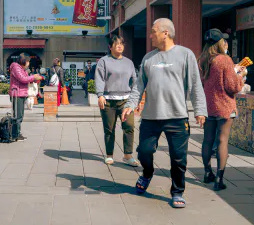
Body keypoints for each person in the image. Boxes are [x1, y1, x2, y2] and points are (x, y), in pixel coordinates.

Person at [122, 18, 207, 208]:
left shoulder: (186, 55)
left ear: (165, 33)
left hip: (177, 117)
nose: (150, 35)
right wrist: (131, 103)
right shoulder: (148, 58)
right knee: (144, 152)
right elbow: (139, 86)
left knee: (178, 158)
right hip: (151, 117)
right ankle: (147, 173)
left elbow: (195, 85)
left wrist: (200, 110)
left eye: (153, 31)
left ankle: (177, 192)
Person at [198, 28, 244, 191]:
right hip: (224, 105)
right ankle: (219, 179)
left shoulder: (203, 59)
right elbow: (232, 87)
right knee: (222, 141)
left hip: (208, 106)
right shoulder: (224, 60)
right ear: (219, 42)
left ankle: (207, 173)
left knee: (207, 140)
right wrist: (240, 75)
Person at [95, 35, 139, 167]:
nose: (119, 46)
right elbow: (100, 78)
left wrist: (134, 99)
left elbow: (135, 81)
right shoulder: (104, 61)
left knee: (129, 127)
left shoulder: (129, 62)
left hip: (126, 100)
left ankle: (128, 155)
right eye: (116, 44)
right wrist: (100, 95)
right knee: (109, 129)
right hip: (108, 100)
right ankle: (109, 155)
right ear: (110, 47)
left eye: (121, 43)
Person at [9, 53, 43, 142]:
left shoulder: (22, 69)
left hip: (21, 93)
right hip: (17, 94)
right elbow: (23, 79)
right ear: (23, 61)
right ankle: (14, 135)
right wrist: (33, 77)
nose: (28, 63)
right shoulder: (16, 67)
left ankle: (17, 133)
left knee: (20, 115)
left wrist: (34, 79)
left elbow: (26, 79)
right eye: (28, 61)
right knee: (17, 115)